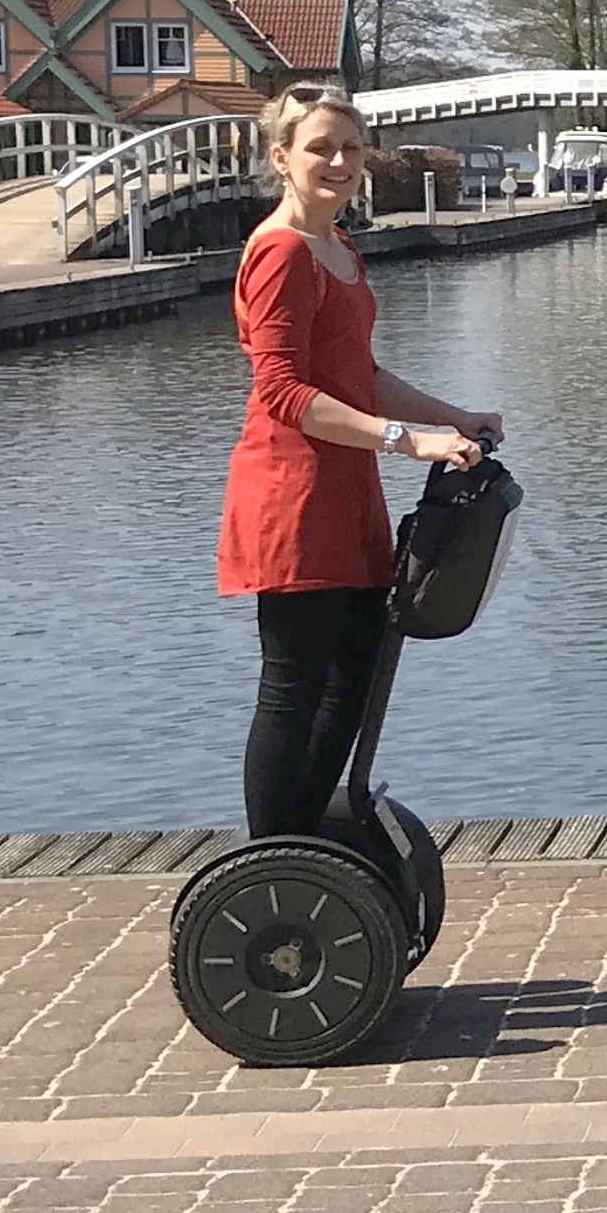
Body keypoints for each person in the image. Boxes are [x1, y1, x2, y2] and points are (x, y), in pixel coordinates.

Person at [216, 84, 504, 838]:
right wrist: (408, 442)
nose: (339, 161)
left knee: (355, 669)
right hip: (291, 492)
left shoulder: (336, 246)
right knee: (294, 684)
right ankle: (270, 859)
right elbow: (283, 392)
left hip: (348, 483)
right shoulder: (279, 253)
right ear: (282, 158)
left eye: (351, 147)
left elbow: (358, 372)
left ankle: (305, 840)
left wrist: (452, 418)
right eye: (320, 147)